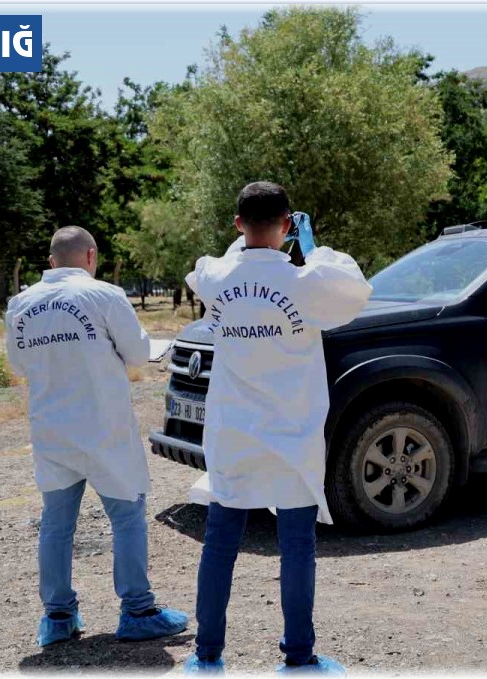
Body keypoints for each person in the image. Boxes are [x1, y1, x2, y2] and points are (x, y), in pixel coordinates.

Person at [183, 182, 371, 675]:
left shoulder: (216, 278)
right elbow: (351, 286)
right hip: (291, 435)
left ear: (236, 225)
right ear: (288, 225)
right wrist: (312, 247)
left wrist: (247, 244)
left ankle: (206, 657)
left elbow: (214, 265)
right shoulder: (306, 284)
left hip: (233, 437)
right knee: (296, 548)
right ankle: (299, 658)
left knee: (220, 543)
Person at [4, 226, 189, 647]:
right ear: (91, 256)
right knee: (126, 519)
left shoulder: (20, 304)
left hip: (52, 432)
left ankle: (57, 618)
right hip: (104, 430)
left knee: (55, 525)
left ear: (51, 263)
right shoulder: (105, 295)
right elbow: (140, 353)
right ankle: (138, 611)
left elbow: (18, 365)